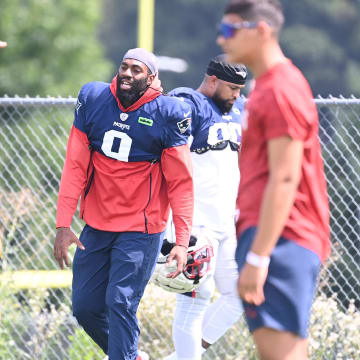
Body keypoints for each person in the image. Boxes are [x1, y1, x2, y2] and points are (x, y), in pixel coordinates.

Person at [53, 48, 194, 360]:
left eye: (137, 70)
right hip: (97, 224)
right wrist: (63, 224)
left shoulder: (167, 113)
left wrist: (181, 241)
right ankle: (131, 355)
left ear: (152, 78)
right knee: (86, 307)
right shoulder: (94, 99)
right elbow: (74, 166)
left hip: (141, 228)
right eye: (124, 67)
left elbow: (180, 183)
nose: (128, 73)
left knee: (120, 302)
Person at [217, 1, 330, 359]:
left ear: (261, 30)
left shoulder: (281, 88)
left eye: (231, 30)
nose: (222, 40)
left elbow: (285, 177)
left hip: (282, 240)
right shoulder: (266, 87)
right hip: (275, 238)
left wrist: (260, 257)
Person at [163, 55, 248, 360]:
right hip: (196, 224)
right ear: (213, 80)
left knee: (240, 295)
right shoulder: (191, 104)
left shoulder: (237, 109)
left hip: (227, 221)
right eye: (232, 88)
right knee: (194, 302)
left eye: (241, 88)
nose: (237, 94)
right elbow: (173, 113)